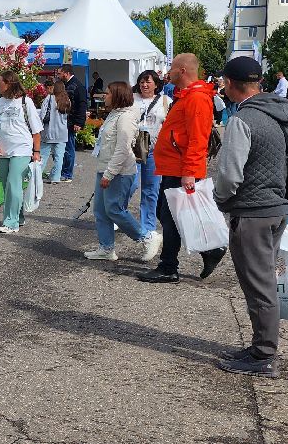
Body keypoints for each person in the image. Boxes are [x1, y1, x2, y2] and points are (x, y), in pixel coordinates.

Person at [212, 56, 288, 377]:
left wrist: (219, 201)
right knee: (264, 279)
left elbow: (230, 176)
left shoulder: (242, 120)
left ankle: (263, 354)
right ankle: (260, 346)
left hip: (252, 212)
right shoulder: (282, 114)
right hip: (278, 206)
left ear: (231, 84)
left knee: (259, 284)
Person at [137, 53, 226, 284]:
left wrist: (189, 172)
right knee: (169, 215)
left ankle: (169, 266)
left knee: (171, 217)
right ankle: (207, 252)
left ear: (183, 70)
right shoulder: (188, 96)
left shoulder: (196, 98)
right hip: (174, 165)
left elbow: (198, 139)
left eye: (173, 68)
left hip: (181, 168)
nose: (168, 72)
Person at [86, 81, 154, 261]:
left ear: (117, 96)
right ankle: (106, 247)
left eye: (108, 93)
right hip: (106, 167)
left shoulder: (126, 117)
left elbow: (123, 148)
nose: (104, 96)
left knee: (115, 209)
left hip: (119, 172)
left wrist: (109, 173)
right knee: (100, 210)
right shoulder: (115, 114)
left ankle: (146, 237)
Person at [0, 69, 43, 234]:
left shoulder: (26, 102)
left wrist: (36, 151)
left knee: (13, 183)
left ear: (9, 83)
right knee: (8, 186)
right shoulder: (1, 102)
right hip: (4, 149)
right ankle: (18, 217)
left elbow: (36, 130)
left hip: (22, 147)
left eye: (1, 82)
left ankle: (10, 223)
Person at [132, 70, 170, 259]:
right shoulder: (132, 99)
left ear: (156, 84)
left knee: (151, 190)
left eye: (148, 82)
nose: (144, 85)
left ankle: (148, 228)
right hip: (133, 149)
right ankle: (121, 218)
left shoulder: (165, 101)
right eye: (141, 82)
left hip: (154, 150)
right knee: (129, 184)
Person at [58, 64, 88, 182]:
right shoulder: (67, 85)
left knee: (69, 147)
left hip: (71, 122)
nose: (58, 75)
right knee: (64, 147)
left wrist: (79, 122)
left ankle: (67, 173)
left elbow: (82, 105)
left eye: (60, 73)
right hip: (65, 121)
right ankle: (63, 170)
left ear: (66, 73)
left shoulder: (77, 85)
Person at [36, 82, 70, 183]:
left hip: (49, 132)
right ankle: (55, 177)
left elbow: (42, 114)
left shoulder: (50, 98)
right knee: (59, 158)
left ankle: (36, 176)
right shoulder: (66, 100)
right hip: (62, 133)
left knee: (43, 156)